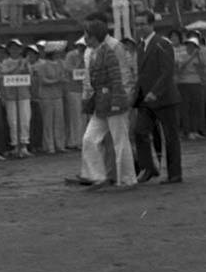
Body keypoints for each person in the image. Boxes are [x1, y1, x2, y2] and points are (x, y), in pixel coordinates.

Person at [73, 16, 136, 191]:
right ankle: (98, 176)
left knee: (119, 141)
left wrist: (118, 101)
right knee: (90, 139)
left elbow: (118, 78)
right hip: (102, 103)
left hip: (113, 102)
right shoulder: (94, 52)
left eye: (87, 34)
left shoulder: (109, 50)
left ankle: (127, 179)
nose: (85, 38)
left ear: (94, 36)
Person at [133, 10, 183, 184]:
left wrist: (155, 92)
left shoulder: (162, 43)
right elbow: (142, 75)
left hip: (165, 98)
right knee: (139, 132)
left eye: (143, 24)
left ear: (151, 24)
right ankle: (149, 168)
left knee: (170, 137)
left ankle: (175, 174)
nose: (140, 27)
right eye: (138, 24)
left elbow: (167, 72)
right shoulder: (140, 46)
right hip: (146, 99)